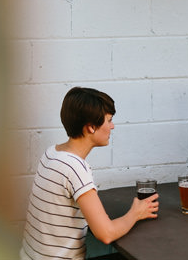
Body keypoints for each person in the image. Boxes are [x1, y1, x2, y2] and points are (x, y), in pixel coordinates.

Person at [22, 88, 158, 260]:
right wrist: (136, 213)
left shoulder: (51, 153)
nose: (112, 126)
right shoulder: (75, 167)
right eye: (109, 120)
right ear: (91, 127)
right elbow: (106, 234)